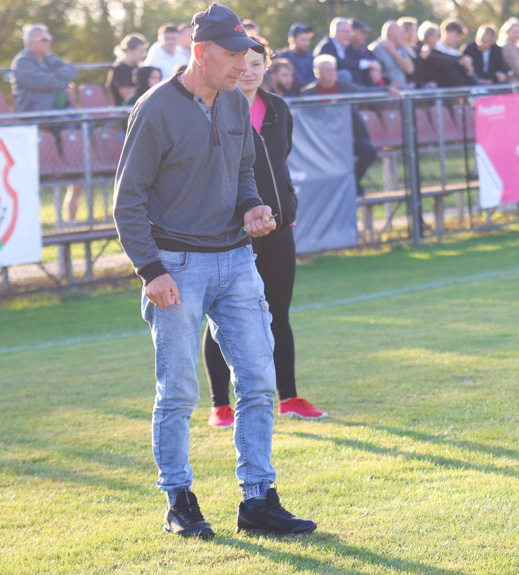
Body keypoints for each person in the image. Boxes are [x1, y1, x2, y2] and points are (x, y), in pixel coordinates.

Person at [113, 4, 316, 538]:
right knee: (178, 391)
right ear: (201, 54)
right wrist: (150, 269)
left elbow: (245, 168)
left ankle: (258, 499)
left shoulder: (233, 102)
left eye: (246, 54)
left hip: (237, 261)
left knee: (258, 381)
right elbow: (126, 201)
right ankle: (179, 500)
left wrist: (251, 206)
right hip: (177, 267)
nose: (242, 64)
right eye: (232, 54)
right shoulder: (155, 109)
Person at [204, 33, 325, 429]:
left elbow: (280, 159)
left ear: (265, 67)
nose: (249, 71)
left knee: (278, 314)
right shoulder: (212, 109)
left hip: (278, 227)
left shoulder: (277, 108)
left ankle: (288, 397)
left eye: (257, 64)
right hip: (231, 234)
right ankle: (221, 405)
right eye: (242, 63)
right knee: (221, 318)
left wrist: (282, 205)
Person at [10, 23, 82, 224]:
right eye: (43, 39)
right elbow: (43, 82)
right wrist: (56, 79)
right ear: (30, 42)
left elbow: (71, 71)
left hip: (62, 113)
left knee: (86, 123)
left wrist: (53, 76)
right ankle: (66, 163)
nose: (48, 41)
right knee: (68, 124)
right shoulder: (22, 62)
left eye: (49, 38)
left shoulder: (50, 59)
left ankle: (77, 164)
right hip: (39, 115)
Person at [301, 54, 378, 196]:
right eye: (327, 70)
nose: (332, 73)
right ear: (317, 73)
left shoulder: (344, 87)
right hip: (323, 140)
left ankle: (352, 183)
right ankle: (341, 188)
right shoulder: (308, 94)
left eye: (333, 69)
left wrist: (387, 90)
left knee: (369, 152)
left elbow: (366, 94)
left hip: (348, 134)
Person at [315, 17, 382, 86]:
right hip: (330, 86)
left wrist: (374, 67)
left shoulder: (347, 47)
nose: (350, 35)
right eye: (346, 31)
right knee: (345, 73)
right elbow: (340, 63)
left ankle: (368, 93)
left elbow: (363, 57)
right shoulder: (326, 47)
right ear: (335, 32)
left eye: (350, 32)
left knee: (365, 71)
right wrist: (368, 64)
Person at [419, 19, 476, 88]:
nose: (458, 39)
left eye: (459, 37)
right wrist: (460, 61)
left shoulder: (456, 53)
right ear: (447, 32)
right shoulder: (432, 48)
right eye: (456, 35)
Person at [369, 20, 416, 89]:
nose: (404, 36)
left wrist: (394, 52)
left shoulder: (401, 47)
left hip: (402, 91)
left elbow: (409, 69)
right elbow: (376, 74)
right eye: (401, 34)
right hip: (387, 92)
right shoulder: (377, 49)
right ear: (391, 35)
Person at [107, 33, 149, 105]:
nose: (144, 55)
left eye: (145, 52)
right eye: (141, 52)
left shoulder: (138, 67)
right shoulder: (119, 69)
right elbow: (126, 95)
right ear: (129, 50)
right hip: (123, 111)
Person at [278, 23, 315, 91]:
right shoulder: (283, 57)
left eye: (308, 40)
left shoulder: (311, 57)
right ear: (292, 39)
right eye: (303, 40)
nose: (306, 43)